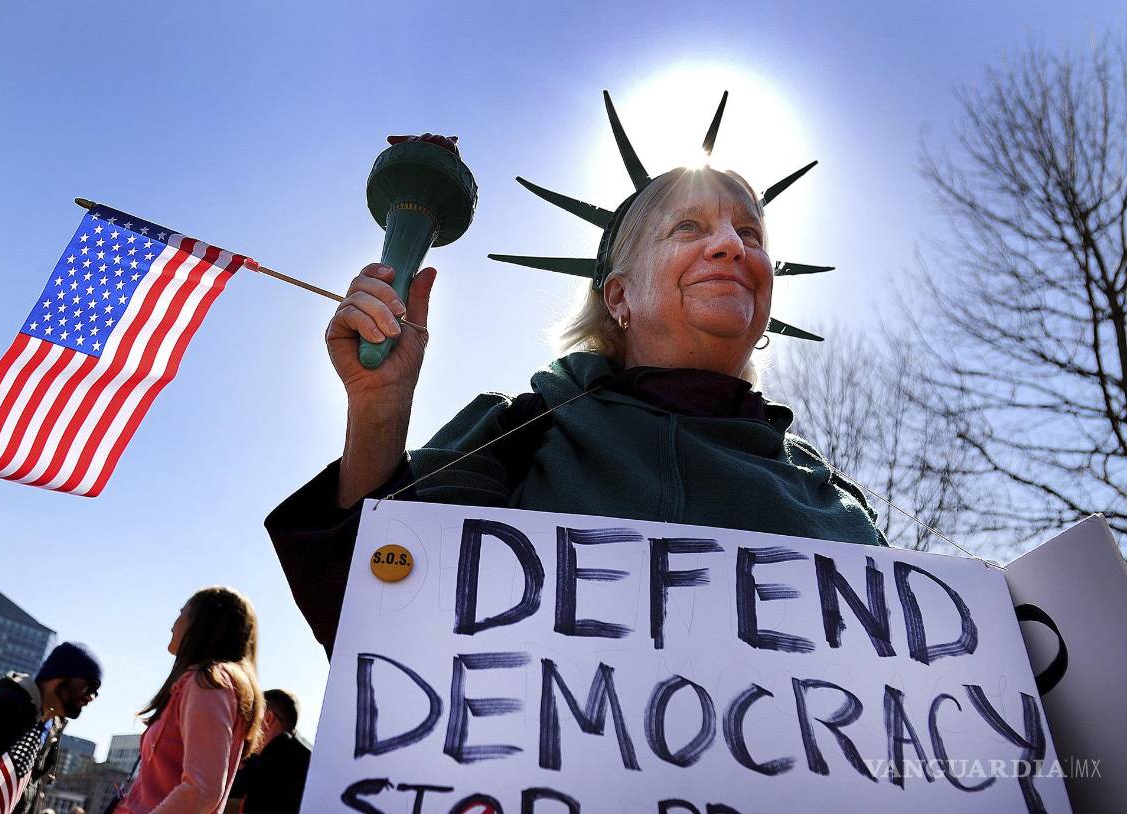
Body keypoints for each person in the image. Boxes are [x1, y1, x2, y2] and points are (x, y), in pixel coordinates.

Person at [267, 103, 888, 657]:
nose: (731, 246)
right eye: (688, 228)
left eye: (749, 233)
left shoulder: (825, 488)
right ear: (618, 297)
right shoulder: (522, 431)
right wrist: (379, 408)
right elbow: (376, 601)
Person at [113, 587, 264, 814]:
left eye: (182, 613)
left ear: (203, 624)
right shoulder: (209, 683)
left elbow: (202, 790)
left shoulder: (209, 683)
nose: (173, 624)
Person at [0, 641, 102, 814]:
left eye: (95, 691)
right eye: (89, 685)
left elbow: (30, 790)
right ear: (58, 677)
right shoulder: (1, 706)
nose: (91, 697)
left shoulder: (52, 725)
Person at [225, 689, 311, 814]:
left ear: (268, 719)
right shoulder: (299, 756)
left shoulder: (278, 755)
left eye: (250, 717)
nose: (244, 726)